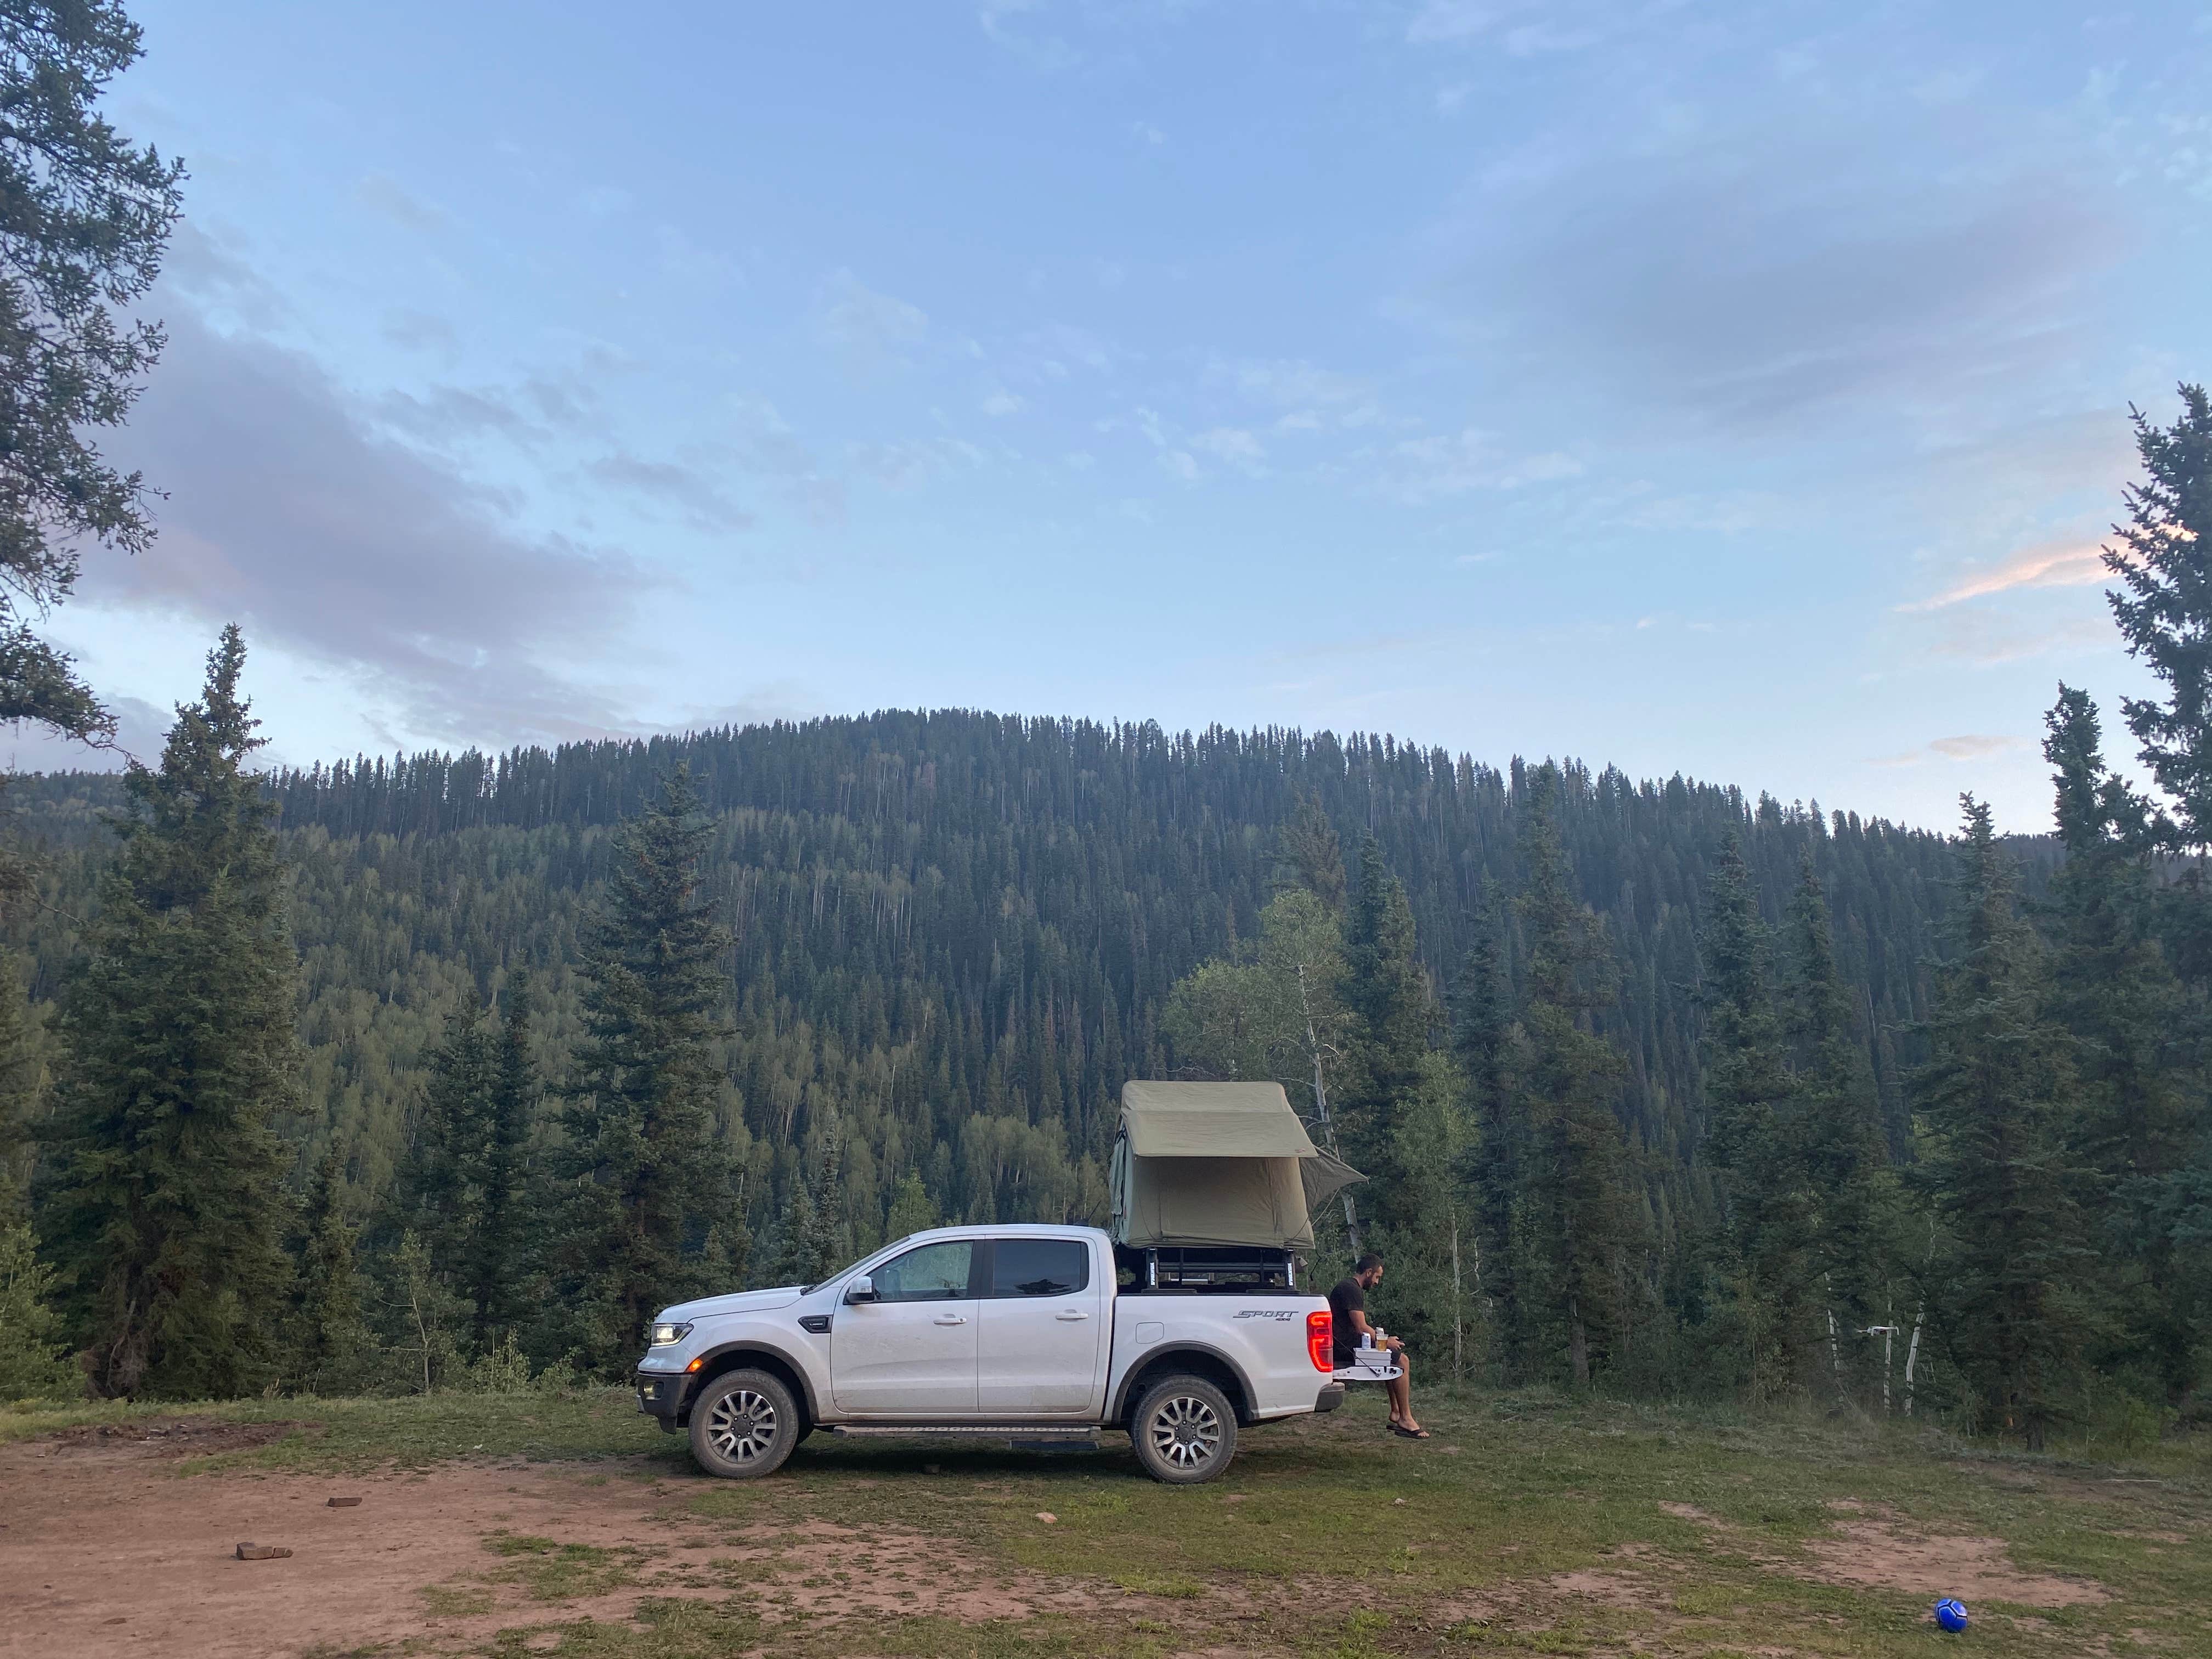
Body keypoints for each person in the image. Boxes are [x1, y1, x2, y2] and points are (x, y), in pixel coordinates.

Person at [1328, 1252, 1425, 1438]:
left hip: (1347, 1344)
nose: (1377, 1282)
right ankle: (1406, 1418)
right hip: (1345, 1348)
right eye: (1377, 1277)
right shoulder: (1351, 1289)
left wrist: (1386, 1341)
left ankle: (1396, 1412)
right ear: (1368, 1272)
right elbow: (1361, 1327)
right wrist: (1386, 1341)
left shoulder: (1349, 1287)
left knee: (1391, 1357)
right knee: (1402, 1361)